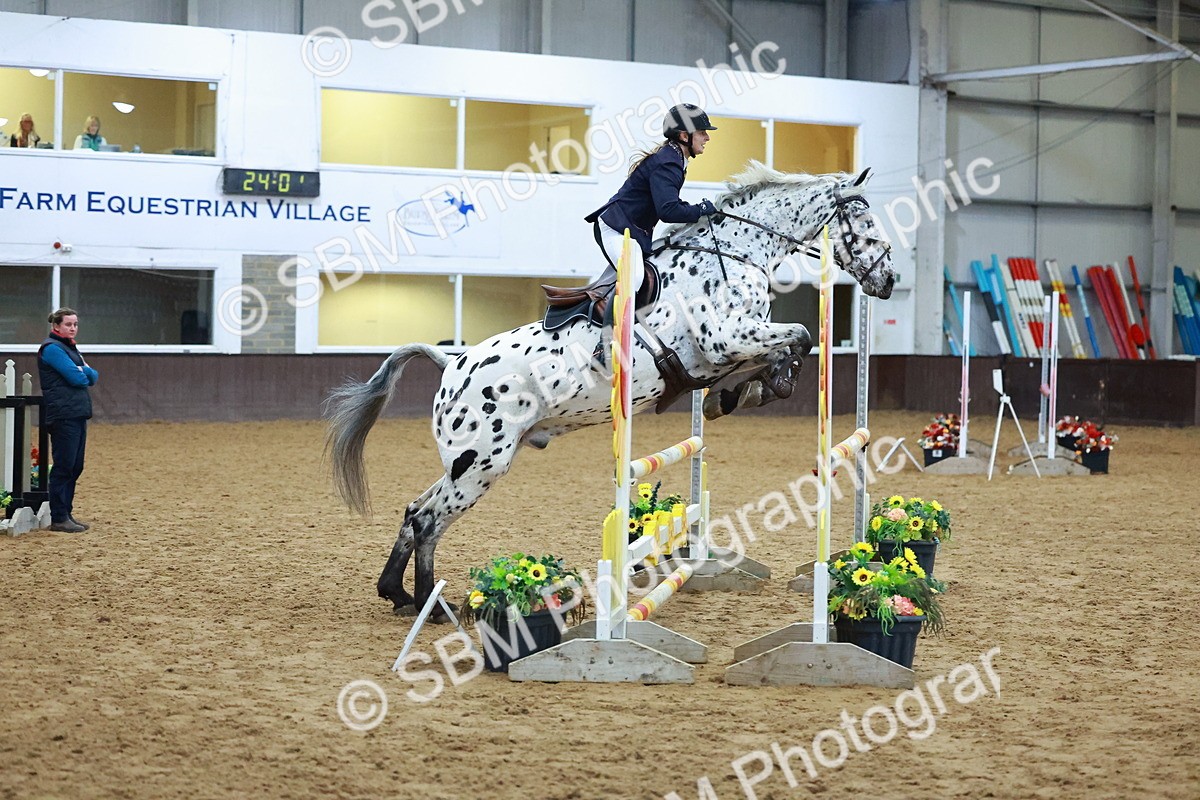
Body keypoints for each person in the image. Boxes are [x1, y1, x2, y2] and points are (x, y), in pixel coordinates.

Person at [580, 103, 719, 359]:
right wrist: (700, 209)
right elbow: (669, 211)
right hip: (615, 228)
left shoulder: (674, 157)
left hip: (633, 231)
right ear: (683, 135)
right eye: (702, 132)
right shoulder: (669, 162)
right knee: (632, 277)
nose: (707, 137)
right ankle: (605, 346)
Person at [37, 308, 98, 533]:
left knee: (75, 466)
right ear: (56, 326)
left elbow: (93, 376)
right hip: (63, 414)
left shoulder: (70, 348)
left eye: (75, 324)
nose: (73, 328)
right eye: (68, 324)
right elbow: (77, 378)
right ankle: (59, 516)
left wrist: (82, 371)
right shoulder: (52, 349)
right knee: (64, 466)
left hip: (77, 412)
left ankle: (67, 513)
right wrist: (82, 371)